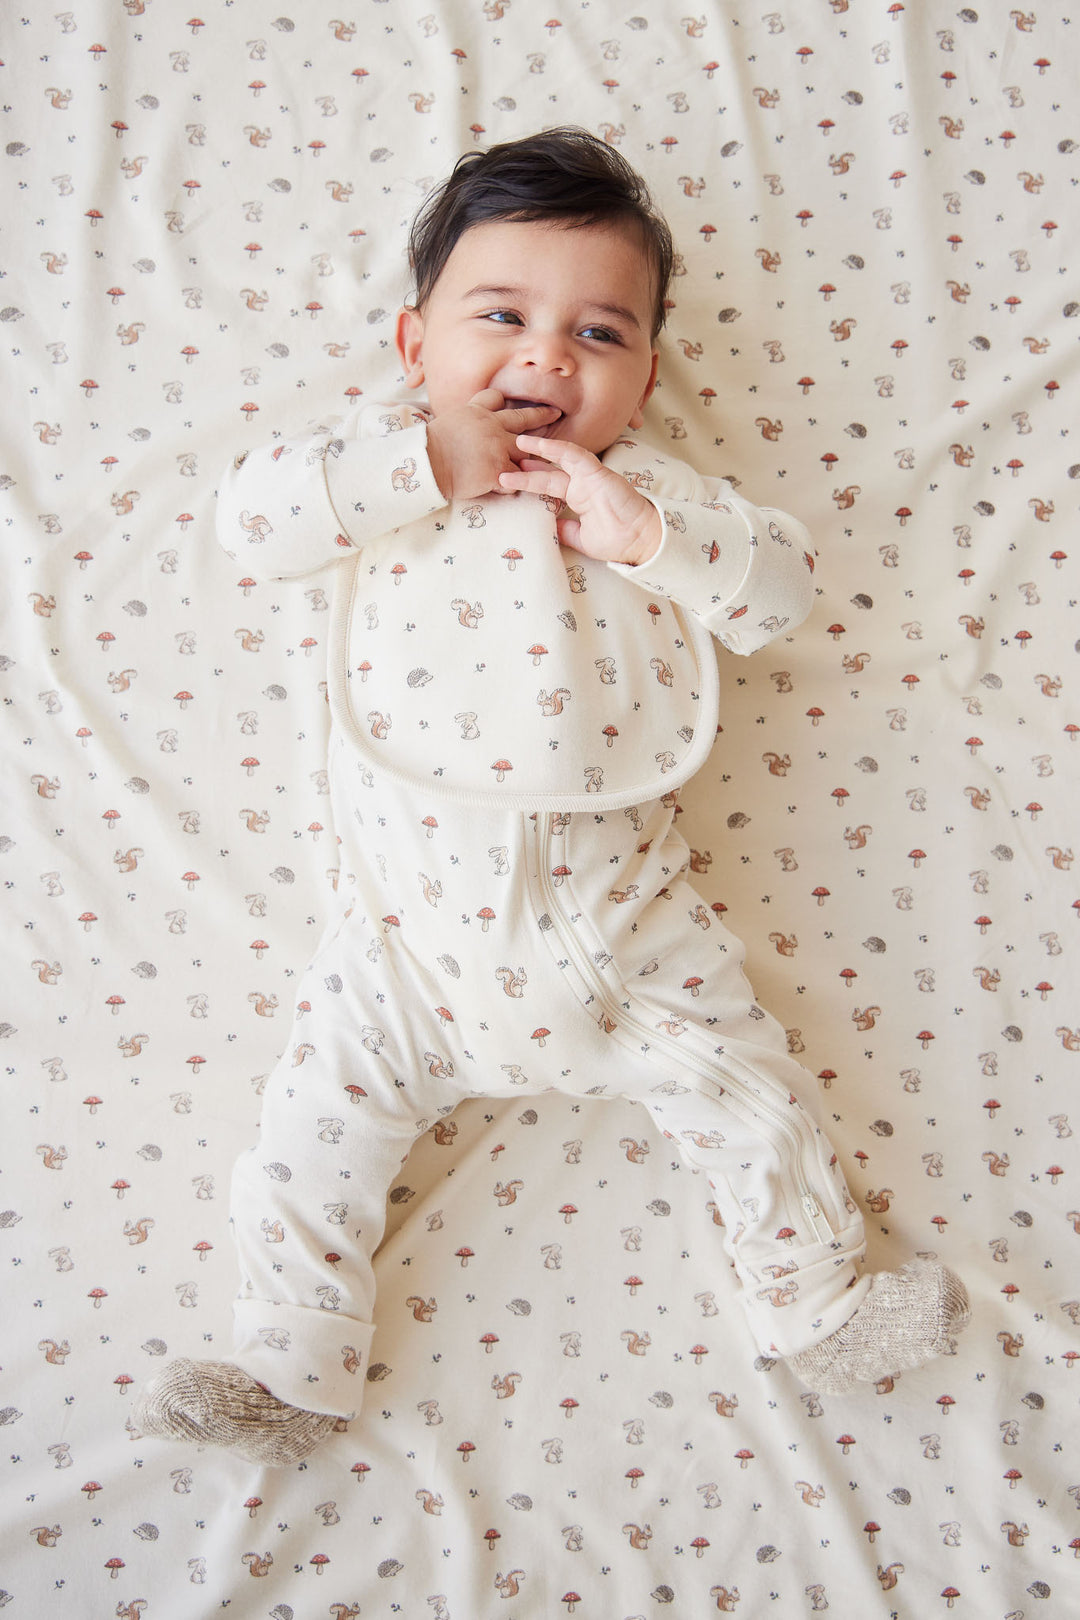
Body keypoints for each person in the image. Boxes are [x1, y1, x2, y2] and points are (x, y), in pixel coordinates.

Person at [136, 129, 968, 1466]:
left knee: (750, 1091)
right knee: (307, 1131)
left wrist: (647, 537)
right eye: (502, 318)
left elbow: (781, 593)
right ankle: (293, 1357)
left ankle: (816, 1303)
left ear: (644, 376)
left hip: (626, 930)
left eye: (599, 334)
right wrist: (421, 466)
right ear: (414, 348)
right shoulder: (369, 470)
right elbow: (249, 526)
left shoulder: (655, 497)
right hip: (402, 945)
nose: (545, 360)